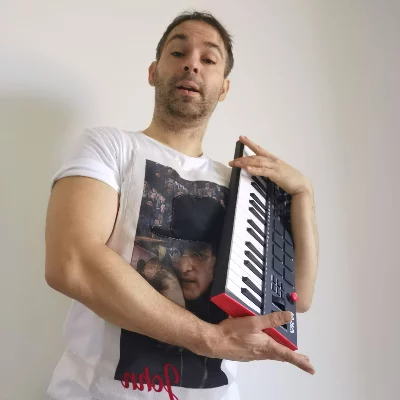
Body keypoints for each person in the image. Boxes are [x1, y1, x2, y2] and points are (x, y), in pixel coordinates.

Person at [45, 10, 318, 400]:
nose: (192, 63)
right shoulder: (109, 147)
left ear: (223, 88)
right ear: (153, 71)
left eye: (208, 59)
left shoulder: (245, 191)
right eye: (178, 52)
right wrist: (209, 338)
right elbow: (71, 263)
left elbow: (295, 300)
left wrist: (304, 193)